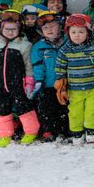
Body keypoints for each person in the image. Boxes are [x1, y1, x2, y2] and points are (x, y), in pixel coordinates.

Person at [0, 11, 40, 147]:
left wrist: (30, 82)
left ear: (20, 29)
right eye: (7, 29)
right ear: (0, 28)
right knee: (1, 110)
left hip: (19, 84)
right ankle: (4, 134)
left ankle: (31, 131)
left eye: (14, 29)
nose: (11, 32)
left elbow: (29, 66)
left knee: (23, 108)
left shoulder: (25, 45)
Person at [54, 13, 94, 144]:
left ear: (88, 33)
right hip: (74, 89)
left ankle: (91, 129)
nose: (77, 35)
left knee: (93, 109)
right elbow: (60, 69)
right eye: (73, 32)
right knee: (74, 111)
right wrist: (61, 86)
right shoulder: (64, 51)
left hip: (93, 87)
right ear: (68, 33)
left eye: (81, 32)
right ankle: (77, 131)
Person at [30, 10, 68, 141]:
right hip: (48, 85)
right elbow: (37, 65)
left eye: (53, 26)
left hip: (66, 84)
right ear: (41, 31)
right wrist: (39, 80)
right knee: (47, 109)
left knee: (65, 108)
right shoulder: (38, 47)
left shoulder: (67, 42)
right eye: (46, 28)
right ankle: (48, 130)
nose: (50, 30)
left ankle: (65, 129)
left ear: (60, 27)